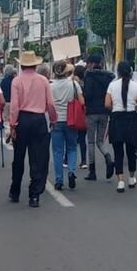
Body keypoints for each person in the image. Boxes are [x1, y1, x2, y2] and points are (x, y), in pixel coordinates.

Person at [9, 50, 58, 208]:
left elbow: (14, 106)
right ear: (35, 65)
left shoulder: (16, 81)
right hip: (38, 120)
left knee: (18, 157)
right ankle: (34, 195)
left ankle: (15, 190)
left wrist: (12, 125)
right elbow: (50, 104)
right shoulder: (43, 80)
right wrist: (53, 119)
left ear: (21, 65)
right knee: (37, 158)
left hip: (22, 119)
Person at [105, 61, 137, 193]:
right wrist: (133, 107)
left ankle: (120, 181)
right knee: (131, 151)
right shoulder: (136, 86)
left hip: (116, 119)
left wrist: (115, 108)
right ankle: (131, 178)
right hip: (131, 119)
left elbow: (107, 104)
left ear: (118, 72)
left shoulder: (112, 85)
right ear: (130, 72)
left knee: (118, 152)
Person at [82, 53, 116, 181]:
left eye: (88, 63)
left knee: (91, 141)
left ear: (91, 64)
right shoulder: (108, 77)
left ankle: (92, 171)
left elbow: (88, 95)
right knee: (100, 141)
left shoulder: (89, 77)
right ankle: (108, 157)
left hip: (91, 112)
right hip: (104, 112)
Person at [51, 60, 82, 190]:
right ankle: (71, 171)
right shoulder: (73, 84)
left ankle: (59, 180)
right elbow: (82, 101)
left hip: (56, 120)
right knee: (72, 148)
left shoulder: (51, 86)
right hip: (71, 119)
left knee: (58, 151)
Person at [73, 63, 88, 169]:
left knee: (71, 138)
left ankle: (67, 158)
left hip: (73, 112)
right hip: (83, 113)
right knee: (82, 138)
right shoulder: (87, 84)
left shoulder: (73, 85)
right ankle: (83, 160)